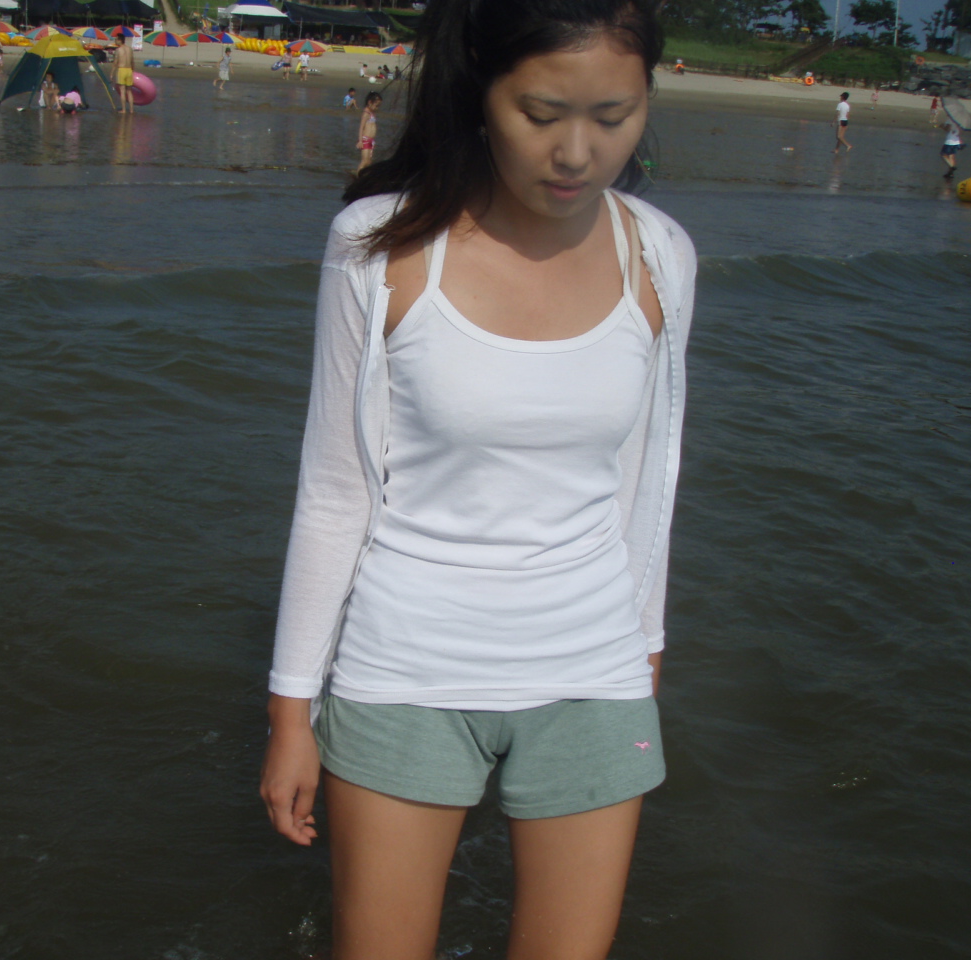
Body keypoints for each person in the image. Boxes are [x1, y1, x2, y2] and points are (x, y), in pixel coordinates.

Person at [259, 0, 696, 957]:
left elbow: (648, 476)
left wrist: (646, 652)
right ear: (481, 95)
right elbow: (336, 490)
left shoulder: (661, 253)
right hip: (405, 666)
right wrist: (292, 711)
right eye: (541, 114)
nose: (576, 153)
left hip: (595, 666)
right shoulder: (381, 245)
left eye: (613, 116)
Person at [354, 90, 379, 173]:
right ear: (370, 102)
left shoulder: (372, 113)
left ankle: (364, 175)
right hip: (365, 139)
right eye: (376, 105)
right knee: (364, 161)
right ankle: (357, 175)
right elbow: (361, 127)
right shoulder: (366, 113)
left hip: (371, 140)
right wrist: (360, 141)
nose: (377, 108)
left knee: (369, 162)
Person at [112, 34, 134, 113]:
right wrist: (133, 71)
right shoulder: (130, 49)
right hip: (129, 70)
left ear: (120, 40)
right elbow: (132, 61)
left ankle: (124, 109)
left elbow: (115, 63)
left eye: (116, 39)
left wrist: (112, 73)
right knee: (129, 91)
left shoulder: (118, 50)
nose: (115, 41)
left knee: (122, 91)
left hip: (122, 70)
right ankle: (131, 110)